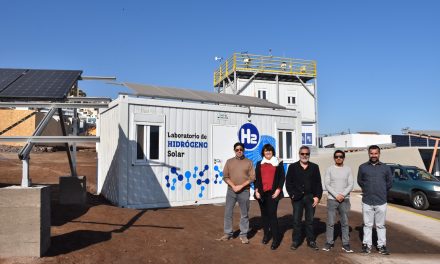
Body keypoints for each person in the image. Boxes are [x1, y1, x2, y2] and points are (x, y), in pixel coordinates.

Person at [217, 142, 256, 244]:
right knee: (228, 212)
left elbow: (252, 177)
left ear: (243, 150)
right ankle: (228, 234)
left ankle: (243, 235)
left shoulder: (249, 162)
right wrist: (234, 186)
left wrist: (241, 186)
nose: (239, 151)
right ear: (234, 150)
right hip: (231, 191)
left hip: (244, 191)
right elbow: (225, 176)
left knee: (244, 214)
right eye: (237, 150)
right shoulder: (229, 162)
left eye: (241, 149)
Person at [286, 146, 323, 250]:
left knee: (310, 221)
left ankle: (311, 240)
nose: (304, 155)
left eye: (307, 154)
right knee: (296, 220)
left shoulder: (314, 167)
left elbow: (318, 184)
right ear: (299, 154)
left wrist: (317, 197)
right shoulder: (293, 167)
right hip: (297, 198)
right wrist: (292, 195)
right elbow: (288, 183)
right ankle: (296, 241)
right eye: (302, 153)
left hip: (310, 197)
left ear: (309, 155)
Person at [357, 145, 392, 255]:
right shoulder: (362, 167)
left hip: (381, 201)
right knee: (367, 225)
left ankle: (381, 246)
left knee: (380, 225)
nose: (373, 155)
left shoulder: (385, 168)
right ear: (368, 154)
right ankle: (367, 245)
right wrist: (367, 189)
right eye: (371, 153)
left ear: (379, 154)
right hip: (367, 200)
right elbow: (360, 181)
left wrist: (380, 190)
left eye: (375, 153)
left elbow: (389, 183)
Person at [254, 144, 285, 250]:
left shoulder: (278, 163)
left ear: (273, 152)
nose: (268, 152)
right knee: (264, 215)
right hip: (262, 193)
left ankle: (276, 239)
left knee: (272, 215)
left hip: (273, 193)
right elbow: (256, 178)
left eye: (270, 151)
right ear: (263, 152)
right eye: (266, 151)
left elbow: (282, 177)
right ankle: (266, 235)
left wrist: (278, 189)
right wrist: (256, 190)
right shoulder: (259, 163)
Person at [322, 150, 354, 253]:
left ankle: (346, 244)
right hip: (332, 199)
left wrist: (343, 195)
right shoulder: (329, 169)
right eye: (336, 156)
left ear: (344, 158)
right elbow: (327, 184)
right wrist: (336, 195)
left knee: (345, 222)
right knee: (330, 222)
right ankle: (329, 242)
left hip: (345, 199)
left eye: (340, 156)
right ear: (334, 158)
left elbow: (351, 184)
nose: (338, 158)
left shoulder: (348, 169)